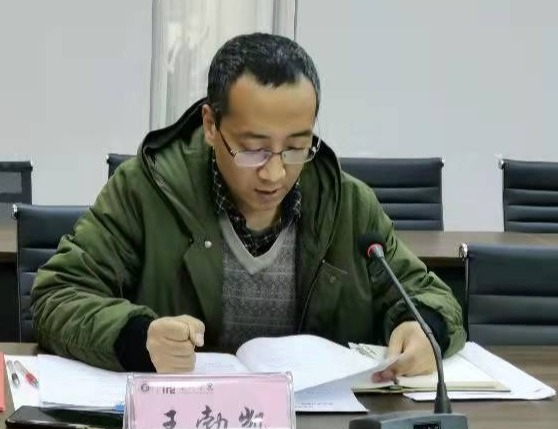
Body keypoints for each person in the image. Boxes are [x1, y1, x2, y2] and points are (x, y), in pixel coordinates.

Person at [31, 33, 465, 379]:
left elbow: (427, 296)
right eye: (253, 149)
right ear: (210, 125)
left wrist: (425, 329)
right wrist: (136, 337)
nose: (274, 173)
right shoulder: (146, 190)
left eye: (295, 148)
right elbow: (57, 295)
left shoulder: (346, 204)